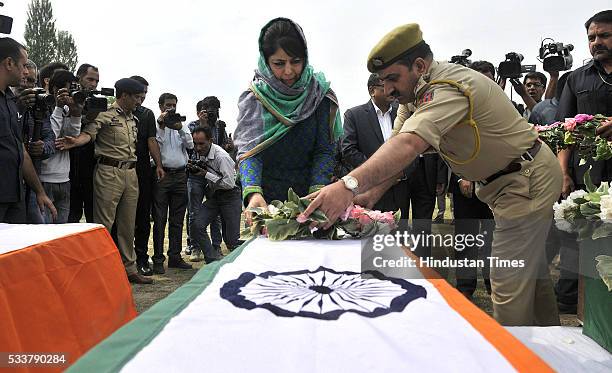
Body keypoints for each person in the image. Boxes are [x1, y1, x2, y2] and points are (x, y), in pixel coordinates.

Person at [303, 23, 562, 326]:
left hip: (525, 180)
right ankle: (552, 351)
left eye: (392, 78)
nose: (387, 89)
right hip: (507, 183)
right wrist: (370, 194)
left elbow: (409, 143)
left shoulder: (447, 88)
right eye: (383, 80)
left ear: (419, 66)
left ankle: (514, 361)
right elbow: (398, 148)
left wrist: (347, 185)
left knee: (507, 282)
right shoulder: (414, 94)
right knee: (531, 277)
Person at [234, 17, 342, 225]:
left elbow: (324, 150)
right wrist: (253, 192)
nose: (289, 71)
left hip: (311, 194)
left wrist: (316, 195)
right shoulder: (254, 99)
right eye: (279, 63)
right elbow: (250, 152)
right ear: (266, 61)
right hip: (266, 200)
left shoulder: (319, 95)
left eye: (296, 61)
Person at [57, 78, 152, 285]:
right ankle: (97, 270)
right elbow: (88, 135)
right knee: (103, 225)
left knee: (128, 225)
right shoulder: (106, 115)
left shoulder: (133, 119)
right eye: (136, 97)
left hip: (131, 173)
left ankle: (130, 268)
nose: (139, 101)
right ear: (123, 95)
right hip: (108, 172)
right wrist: (75, 142)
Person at [554, 9, 612, 314]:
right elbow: (565, 132)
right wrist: (563, 173)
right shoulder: (576, 79)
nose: (596, 42)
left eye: (604, 35)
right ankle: (572, 305)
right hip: (586, 178)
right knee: (577, 244)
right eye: (591, 37)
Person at [0, 37, 56, 223]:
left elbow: (20, 150)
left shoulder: (10, 100)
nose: (25, 72)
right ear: (9, 63)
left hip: (14, 196)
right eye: (23, 66)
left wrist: (40, 191)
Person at [151, 93, 193, 273]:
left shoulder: (180, 124)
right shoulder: (155, 124)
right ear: (160, 106)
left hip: (180, 175)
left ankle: (175, 256)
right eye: (167, 105)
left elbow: (190, 145)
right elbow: (155, 144)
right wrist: (162, 125)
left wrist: (180, 128)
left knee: (177, 219)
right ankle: (158, 259)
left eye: (173, 105)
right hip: (162, 175)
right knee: (159, 219)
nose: (171, 108)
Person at [191, 126, 242, 262]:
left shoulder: (221, 156)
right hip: (216, 196)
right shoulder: (202, 153)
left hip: (231, 196)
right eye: (195, 143)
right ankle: (211, 260)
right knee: (197, 225)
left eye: (201, 143)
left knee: (232, 241)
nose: (198, 147)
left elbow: (229, 183)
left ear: (211, 141)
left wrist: (206, 174)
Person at [130, 75, 164, 276]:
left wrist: (158, 164)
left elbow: (152, 140)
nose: (141, 98)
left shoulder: (147, 114)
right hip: (119, 169)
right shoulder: (113, 112)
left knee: (143, 216)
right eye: (138, 93)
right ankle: (124, 258)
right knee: (122, 219)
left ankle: (142, 258)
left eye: (144, 94)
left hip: (142, 170)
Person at [39, 70, 82, 223]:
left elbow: (72, 136)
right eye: (67, 89)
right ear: (56, 89)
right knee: (45, 233)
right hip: (45, 178)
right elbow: (51, 138)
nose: (70, 93)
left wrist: (76, 113)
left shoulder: (66, 109)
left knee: (60, 232)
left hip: (64, 178)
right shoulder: (44, 106)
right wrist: (57, 107)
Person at [68, 63, 100, 223]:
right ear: (79, 78)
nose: (93, 84)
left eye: (97, 81)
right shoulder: (67, 97)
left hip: (90, 168)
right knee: (71, 217)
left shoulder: (98, 102)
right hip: (68, 167)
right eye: (90, 79)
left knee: (92, 218)